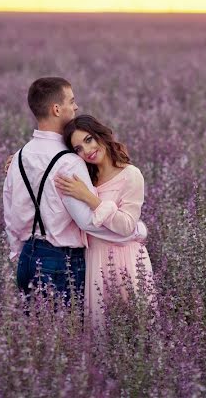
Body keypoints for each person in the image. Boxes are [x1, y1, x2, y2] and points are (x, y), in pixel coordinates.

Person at [2, 77, 147, 308]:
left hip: (26, 260)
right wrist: (134, 232)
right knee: (66, 339)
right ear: (57, 109)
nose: (76, 106)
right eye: (71, 100)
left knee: (36, 339)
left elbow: (10, 219)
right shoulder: (69, 162)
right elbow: (89, 223)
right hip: (61, 262)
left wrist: (19, 255)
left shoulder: (19, 157)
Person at [55, 115, 154, 328]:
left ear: (101, 135)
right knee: (102, 330)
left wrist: (89, 197)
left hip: (127, 259)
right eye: (78, 149)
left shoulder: (130, 175)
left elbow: (127, 225)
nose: (87, 150)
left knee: (134, 326)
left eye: (89, 139)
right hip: (95, 258)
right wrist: (15, 160)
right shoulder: (86, 179)